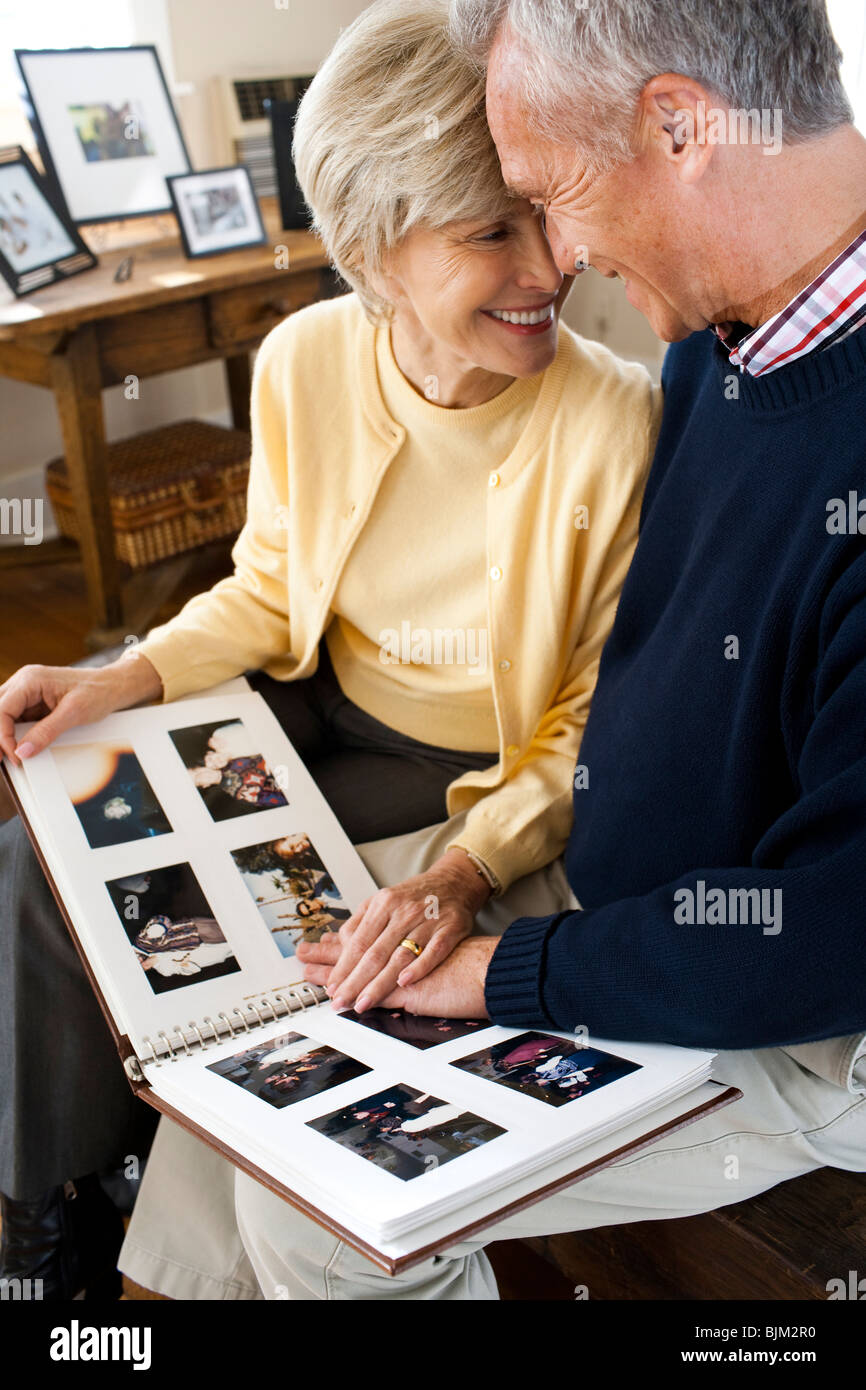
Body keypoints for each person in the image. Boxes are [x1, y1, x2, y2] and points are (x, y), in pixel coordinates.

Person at [0, 0, 659, 1298]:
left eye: (541, 211)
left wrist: (462, 875)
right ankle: (47, 1211)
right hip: (312, 703)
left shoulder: (613, 419)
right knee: (37, 851)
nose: (550, 261)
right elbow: (269, 586)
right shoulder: (305, 358)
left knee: (273, 928)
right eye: (490, 232)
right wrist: (115, 676)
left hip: (475, 770)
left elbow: (589, 719)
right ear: (371, 249)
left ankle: (161, 1162)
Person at [222, 0, 866, 1299]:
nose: (560, 255)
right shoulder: (725, 338)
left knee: (323, 1214)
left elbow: (825, 937)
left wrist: (515, 970)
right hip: (616, 919)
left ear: (679, 125)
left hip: (799, 1030)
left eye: (549, 194)